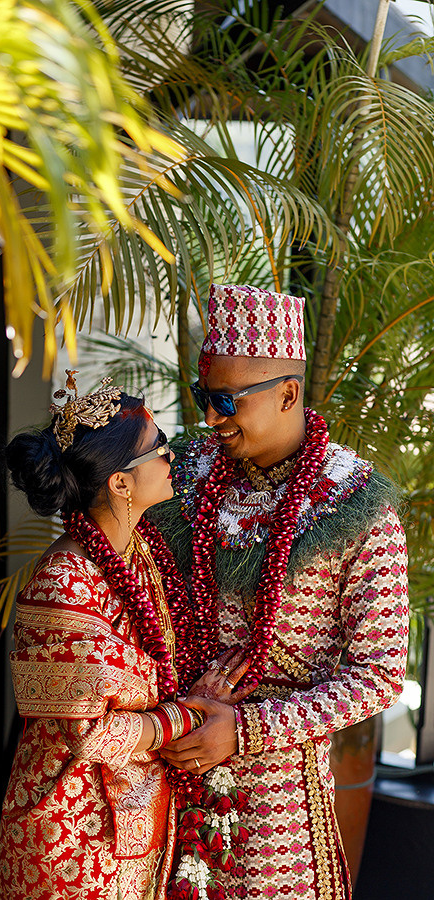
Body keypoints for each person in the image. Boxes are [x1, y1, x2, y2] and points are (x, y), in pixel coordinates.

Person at [153, 284, 409, 900]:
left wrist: (245, 730)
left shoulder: (355, 503)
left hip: (281, 799)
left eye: (225, 400)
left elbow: (379, 675)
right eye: (203, 396)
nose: (210, 417)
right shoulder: (179, 474)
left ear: (288, 394)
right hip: (164, 765)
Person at [0, 374, 240, 900]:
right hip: (75, 838)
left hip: (141, 819)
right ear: (121, 484)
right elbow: (91, 735)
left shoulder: (141, 551)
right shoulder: (63, 582)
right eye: (158, 446)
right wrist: (188, 717)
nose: (170, 455)